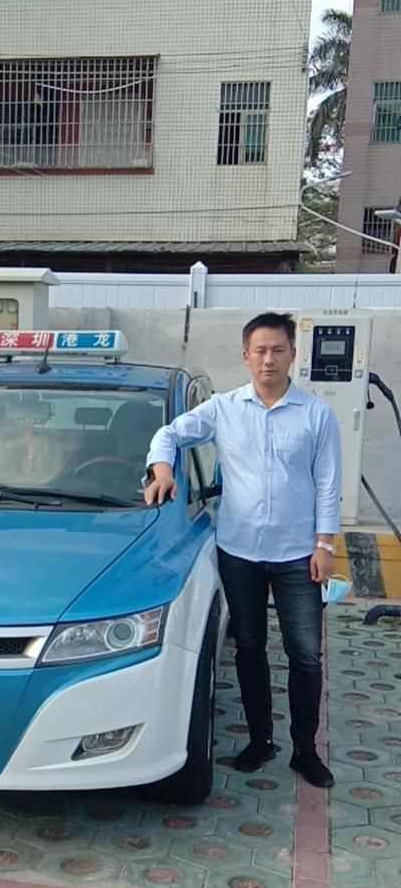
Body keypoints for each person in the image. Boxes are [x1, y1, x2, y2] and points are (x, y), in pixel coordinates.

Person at [144, 312, 342, 790]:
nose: (268, 359)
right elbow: (169, 434)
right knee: (249, 647)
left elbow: (328, 483)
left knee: (305, 655)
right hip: (240, 553)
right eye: (260, 351)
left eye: (277, 350)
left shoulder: (316, 415)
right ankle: (260, 741)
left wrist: (324, 545)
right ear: (245, 356)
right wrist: (162, 469)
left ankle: (305, 750)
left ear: (292, 354)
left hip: (298, 556)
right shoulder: (223, 409)